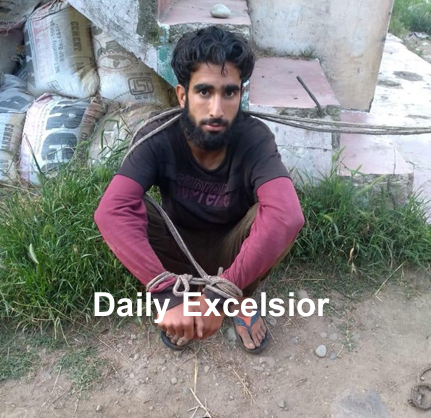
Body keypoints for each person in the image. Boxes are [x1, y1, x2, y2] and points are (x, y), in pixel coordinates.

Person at [94, 26, 304, 353]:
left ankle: (240, 298)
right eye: (204, 92)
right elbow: (111, 212)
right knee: (129, 207)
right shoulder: (157, 136)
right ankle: (183, 296)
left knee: (275, 213)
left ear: (241, 94)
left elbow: (288, 216)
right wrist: (165, 294)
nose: (217, 109)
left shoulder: (255, 138)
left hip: (234, 249)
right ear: (183, 95)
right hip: (176, 249)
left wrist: (221, 295)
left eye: (229, 93)